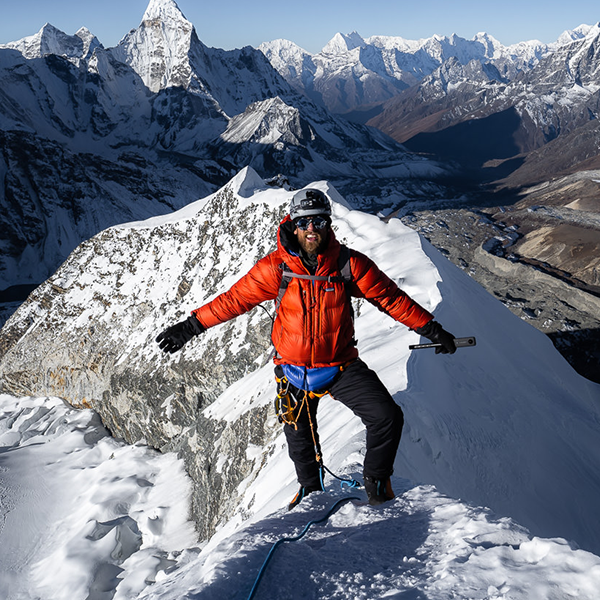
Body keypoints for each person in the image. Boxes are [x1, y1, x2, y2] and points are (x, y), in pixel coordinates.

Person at [156, 188, 456, 507]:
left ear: (328, 224)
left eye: (318, 221)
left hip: (339, 366)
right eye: (304, 222)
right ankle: (310, 490)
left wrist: (431, 328)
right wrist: (191, 326)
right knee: (299, 439)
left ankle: (377, 482)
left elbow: (389, 298)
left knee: (387, 417)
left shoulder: (348, 265)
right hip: (293, 369)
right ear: (293, 225)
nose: (311, 229)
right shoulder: (276, 268)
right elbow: (234, 300)